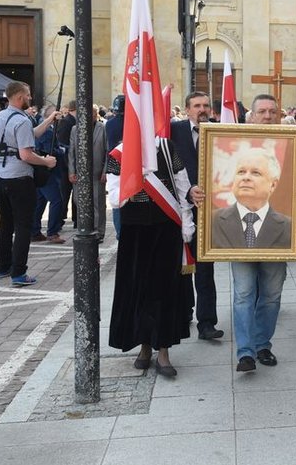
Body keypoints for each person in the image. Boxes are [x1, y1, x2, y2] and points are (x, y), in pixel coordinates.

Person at [106, 137, 202, 377]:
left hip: (166, 228)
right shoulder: (119, 154)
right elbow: (114, 198)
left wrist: (187, 223)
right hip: (135, 231)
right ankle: (144, 346)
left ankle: (163, 350)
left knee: (164, 291)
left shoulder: (168, 148)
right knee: (138, 289)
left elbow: (182, 188)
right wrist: (136, 177)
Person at [225, 94, 296, 373]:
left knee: (271, 294)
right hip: (238, 239)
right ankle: (245, 352)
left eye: (273, 111)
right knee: (244, 294)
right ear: (251, 115)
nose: (268, 116)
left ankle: (262, 345)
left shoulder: (292, 146)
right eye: (262, 111)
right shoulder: (229, 141)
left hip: (275, 237)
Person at [0, 81, 58, 287]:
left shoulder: (0, 116)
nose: (29, 98)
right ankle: (19, 273)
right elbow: (26, 153)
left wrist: (48, 120)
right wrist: (46, 161)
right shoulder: (22, 120)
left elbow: (28, 135)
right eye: (27, 95)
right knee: (22, 227)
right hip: (19, 179)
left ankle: (4, 266)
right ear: (19, 97)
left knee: (6, 223)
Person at [169, 91, 222, 341]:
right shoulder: (173, 131)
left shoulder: (221, 132)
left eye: (206, 105)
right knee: (181, 266)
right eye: (197, 106)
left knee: (205, 269)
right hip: (180, 208)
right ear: (188, 109)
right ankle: (182, 312)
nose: (202, 109)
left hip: (210, 211)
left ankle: (207, 322)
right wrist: (188, 190)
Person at [212, 147, 292, 248]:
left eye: (255, 173)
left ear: (272, 185)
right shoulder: (211, 221)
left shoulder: (290, 227)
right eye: (241, 172)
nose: (246, 177)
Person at [68, 110, 108, 242]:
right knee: (79, 201)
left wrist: (105, 171)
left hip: (97, 173)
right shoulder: (75, 129)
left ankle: (99, 231)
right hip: (80, 173)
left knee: (98, 203)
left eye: (92, 114)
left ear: (96, 115)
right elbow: (72, 152)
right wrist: (71, 171)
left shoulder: (102, 128)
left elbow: (108, 152)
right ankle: (84, 228)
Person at [31, 104, 66, 245]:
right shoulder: (46, 131)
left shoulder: (48, 129)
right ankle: (52, 232)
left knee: (40, 201)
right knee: (57, 200)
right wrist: (62, 151)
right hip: (47, 171)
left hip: (42, 171)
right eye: (58, 115)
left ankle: (34, 231)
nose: (61, 117)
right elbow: (47, 150)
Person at [105, 94, 125, 238]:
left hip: (114, 163)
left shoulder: (110, 123)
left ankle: (119, 234)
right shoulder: (135, 121)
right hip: (131, 164)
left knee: (117, 201)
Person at [57, 101, 77, 225]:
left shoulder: (73, 121)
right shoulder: (66, 122)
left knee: (75, 193)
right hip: (66, 164)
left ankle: (76, 219)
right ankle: (60, 218)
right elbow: (62, 144)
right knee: (65, 193)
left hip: (72, 163)